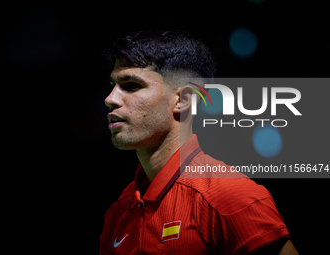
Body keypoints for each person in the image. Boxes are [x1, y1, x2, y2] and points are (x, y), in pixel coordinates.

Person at [99, 30, 298, 254]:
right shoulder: (118, 212)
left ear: (183, 100)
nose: (110, 98)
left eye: (131, 85)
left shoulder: (231, 196)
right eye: (113, 85)